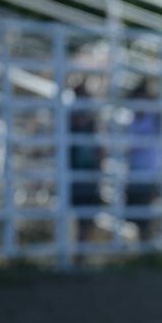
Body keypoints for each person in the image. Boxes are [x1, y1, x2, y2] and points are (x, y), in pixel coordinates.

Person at [125, 79, 162, 242]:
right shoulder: (133, 120)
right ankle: (144, 247)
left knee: (147, 215)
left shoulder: (153, 118)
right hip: (134, 172)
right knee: (136, 217)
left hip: (149, 173)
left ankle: (149, 246)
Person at [68, 76, 104, 247]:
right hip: (77, 175)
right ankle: (78, 251)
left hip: (89, 175)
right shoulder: (71, 123)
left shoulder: (91, 123)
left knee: (88, 218)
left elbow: (99, 149)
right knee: (80, 216)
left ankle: (81, 251)